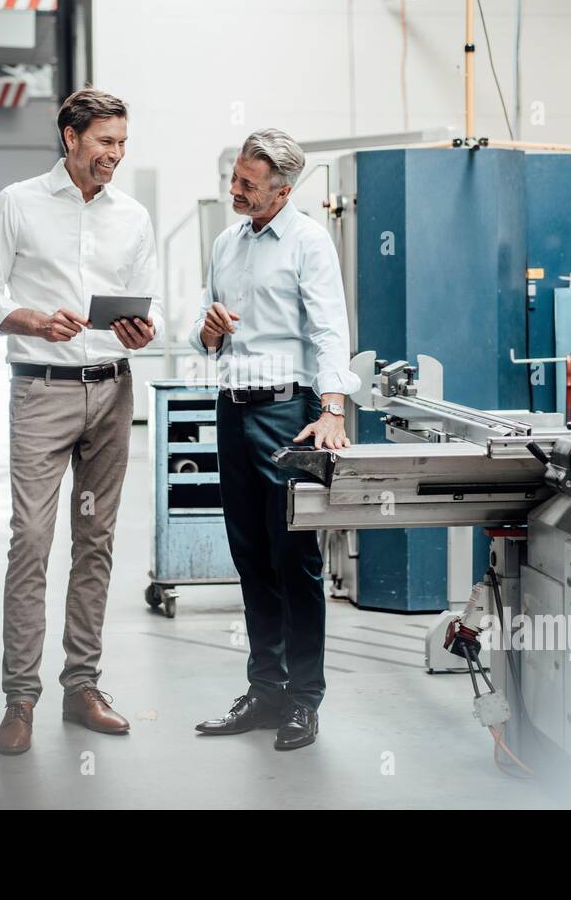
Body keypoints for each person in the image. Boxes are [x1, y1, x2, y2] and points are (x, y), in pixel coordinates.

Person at [0, 88, 161, 756]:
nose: (116, 154)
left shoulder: (133, 217)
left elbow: (145, 309)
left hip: (111, 391)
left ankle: (83, 687)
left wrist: (140, 333)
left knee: (96, 543)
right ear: (70, 136)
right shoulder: (16, 203)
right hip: (41, 391)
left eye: (123, 143)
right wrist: (30, 319)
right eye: (106, 141)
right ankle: (20, 699)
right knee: (30, 540)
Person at [190, 128, 358, 751]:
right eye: (234, 178)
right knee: (250, 556)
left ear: (283, 191)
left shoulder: (309, 243)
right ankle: (265, 691)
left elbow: (329, 329)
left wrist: (333, 407)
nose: (235, 190)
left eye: (248, 185)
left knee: (296, 561)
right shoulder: (225, 244)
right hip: (232, 410)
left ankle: (303, 700)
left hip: (289, 412)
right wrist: (206, 333)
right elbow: (207, 338)